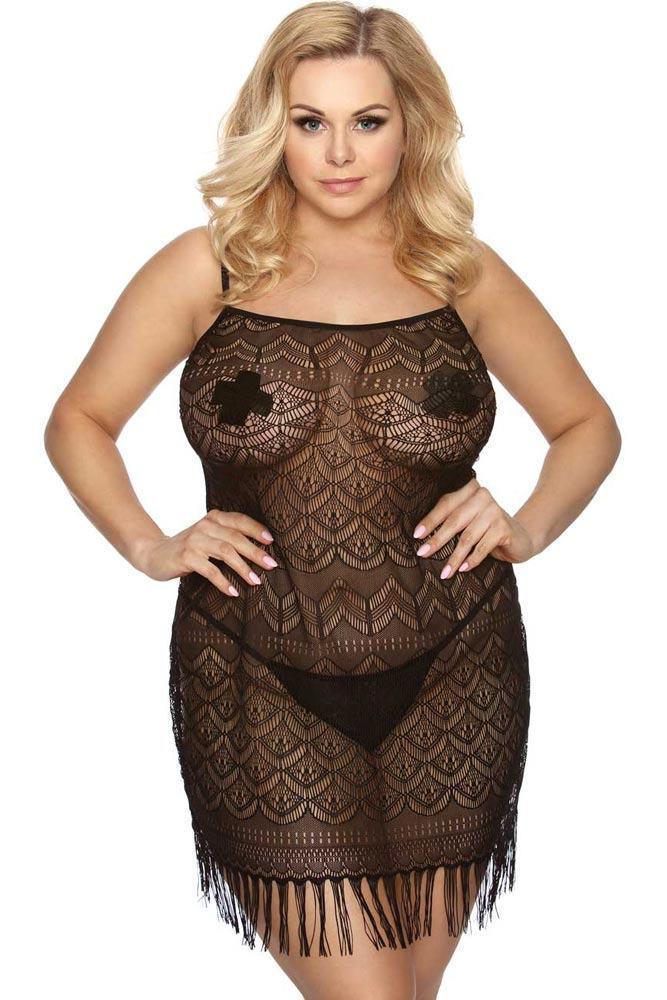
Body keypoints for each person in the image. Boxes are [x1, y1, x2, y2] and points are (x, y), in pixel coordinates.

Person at [43, 4, 622, 998]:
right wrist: (148, 545)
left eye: (367, 121)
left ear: (411, 126)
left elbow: (587, 424)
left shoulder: (458, 270)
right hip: (255, 674)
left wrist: (526, 525)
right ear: (274, 127)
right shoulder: (213, 265)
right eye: (309, 122)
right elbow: (79, 419)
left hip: (457, 674)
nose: (339, 153)